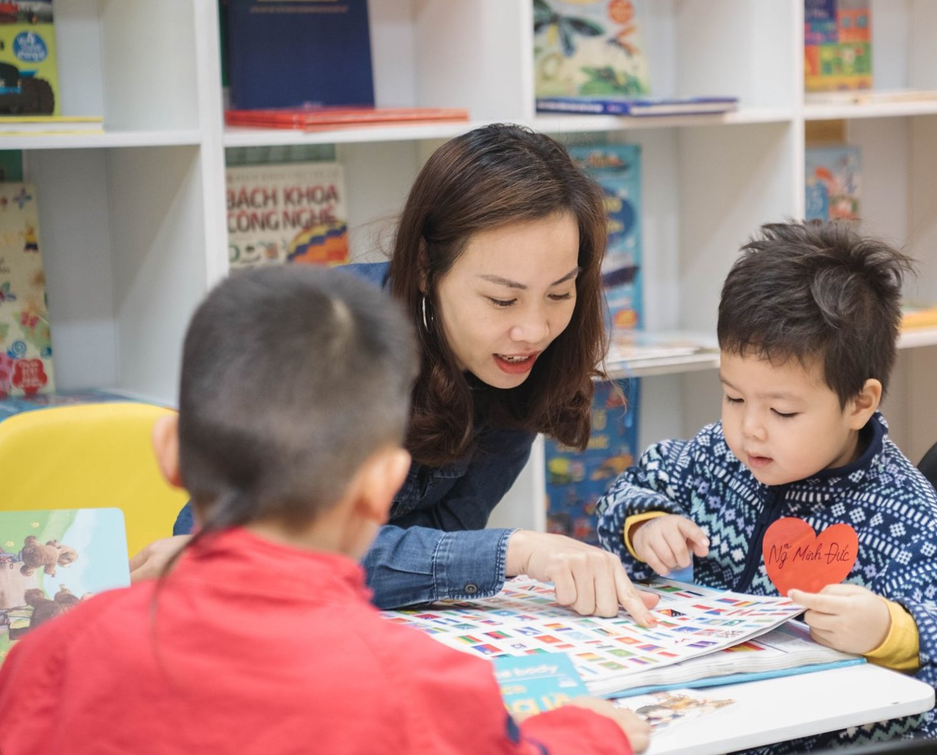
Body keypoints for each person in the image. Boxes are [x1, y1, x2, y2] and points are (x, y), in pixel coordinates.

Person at [0, 265, 649, 755]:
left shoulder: (50, 654)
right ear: (383, 484)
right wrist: (593, 732)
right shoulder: (423, 686)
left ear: (171, 454)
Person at [139, 123, 658, 626]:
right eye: (503, 299)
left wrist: (397, 560)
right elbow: (242, 545)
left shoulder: (513, 361)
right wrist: (514, 551)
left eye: (560, 293)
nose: (535, 330)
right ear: (426, 268)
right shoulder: (328, 338)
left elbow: (444, 533)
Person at [595, 221, 937, 752]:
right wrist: (646, 523)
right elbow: (625, 491)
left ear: (859, 404)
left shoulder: (906, 517)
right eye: (734, 398)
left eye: (783, 411)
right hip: (721, 723)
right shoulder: (716, 458)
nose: (750, 429)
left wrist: (890, 631)